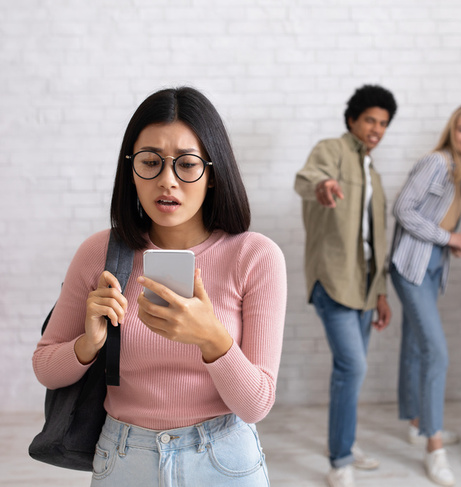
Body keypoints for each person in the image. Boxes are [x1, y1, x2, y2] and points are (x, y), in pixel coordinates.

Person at [32, 87, 287, 486]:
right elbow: (46, 367)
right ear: (130, 169)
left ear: (213, 173)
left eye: (186, 165)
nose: (167, 181)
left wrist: (212, 339)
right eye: (150, 162)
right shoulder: (98, 252)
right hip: (123, 458)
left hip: (224, 460)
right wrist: (89, 343)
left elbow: (255, 405)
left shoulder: (255, 256)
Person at [293, 84, 396, 487]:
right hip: (333, 279)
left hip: (367, 287)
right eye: (370, 119)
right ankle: (340, 460)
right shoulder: (331, 150)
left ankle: (346, 446)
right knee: (352, 366)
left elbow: (377, 238)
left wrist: (382, 291)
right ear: (352, 119)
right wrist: (322, 186)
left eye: (384, 123)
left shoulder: (374, 173)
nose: (376, 128)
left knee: (350, 371)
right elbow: (308, 178)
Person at [390, 105, 461, 485]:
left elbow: (434, 218)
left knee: (416, 346)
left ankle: (417, 422)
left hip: (431, 267)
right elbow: (402, 209)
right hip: (410, 267)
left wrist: (448, 244)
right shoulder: (437, 162)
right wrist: (449, 238)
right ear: (452, 131)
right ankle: (434, 445)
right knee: (437, 352)